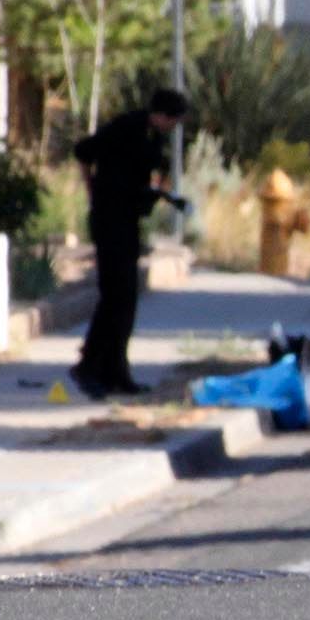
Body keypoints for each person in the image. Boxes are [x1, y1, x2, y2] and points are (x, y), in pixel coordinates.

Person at [70, 85, 188, 398]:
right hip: (110, 220)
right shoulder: (125, 127)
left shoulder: (152, 136)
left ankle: (116, 371)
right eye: (172, 121)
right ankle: (89, 366)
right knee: (114, 296)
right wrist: (91, 191)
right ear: (162, 115)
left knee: (127, 299)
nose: (173, 128)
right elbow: (83, 151)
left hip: (128, 221)